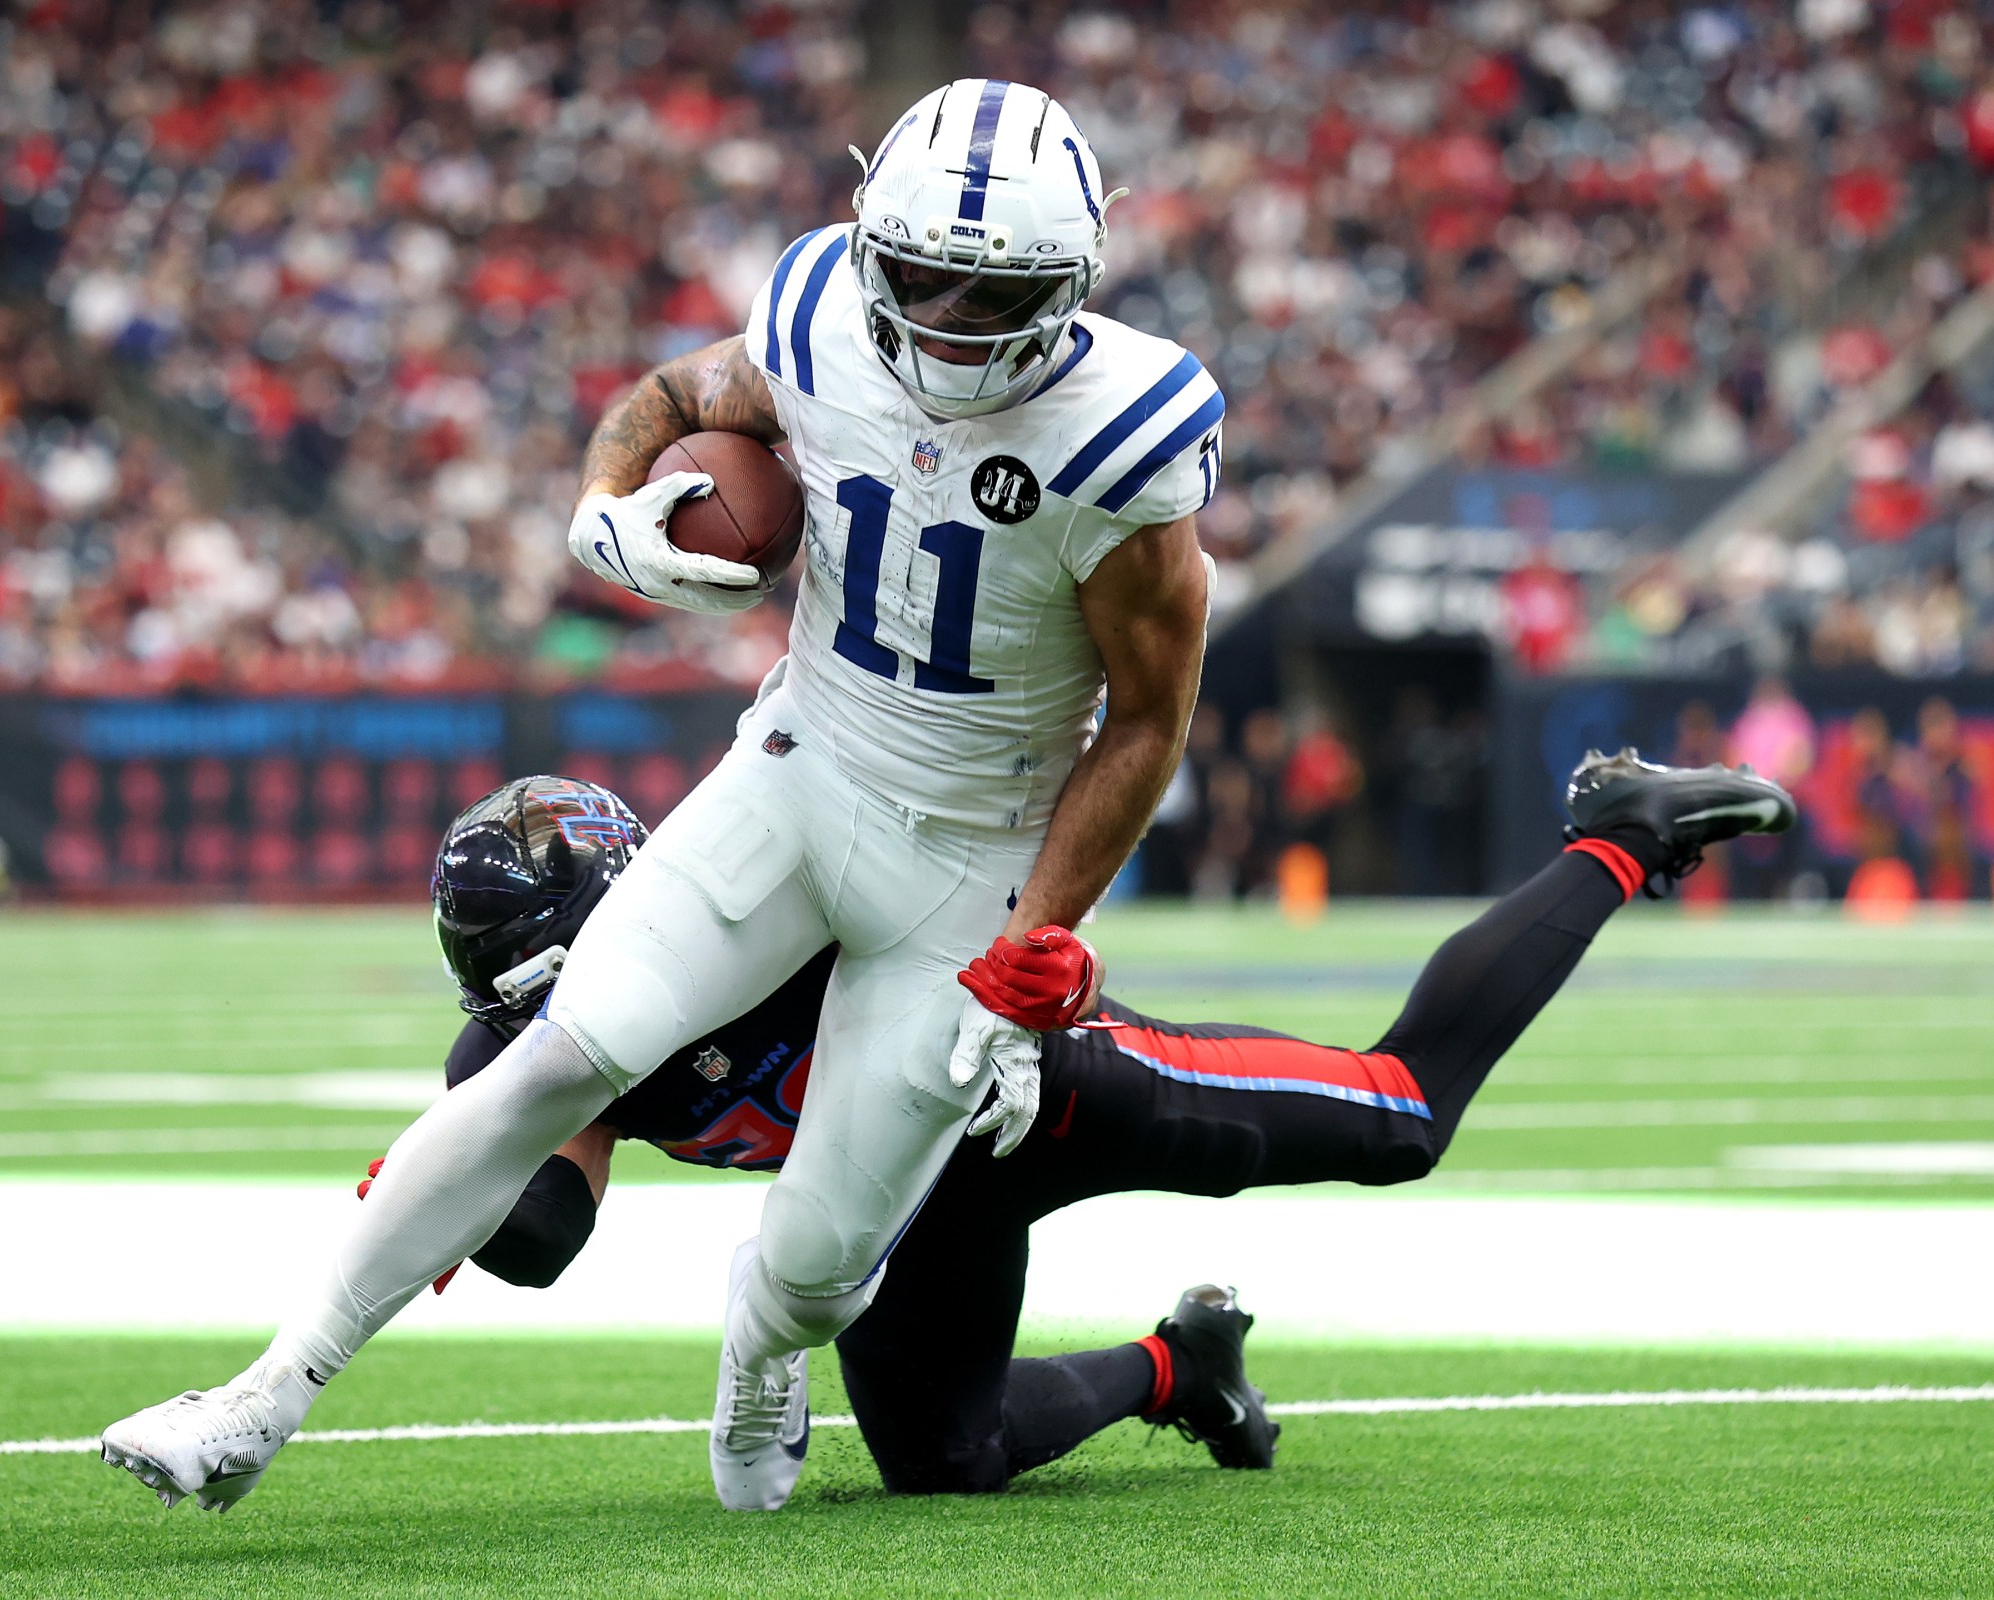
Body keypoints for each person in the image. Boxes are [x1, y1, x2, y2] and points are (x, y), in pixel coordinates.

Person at [104, 79, 1222, 1514]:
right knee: (559, 1058)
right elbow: (678, 397)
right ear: (871, 238)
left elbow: (1148, 717)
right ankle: (259, 1400)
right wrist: (606, 500)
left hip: (970, 858)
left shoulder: (1124, 426)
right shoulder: (821, 303)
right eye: (921, 274)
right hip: (801, 769)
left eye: (984, 288)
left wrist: (1041, 943)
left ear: (1070, 284)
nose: (942, 315)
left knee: (821, 1269)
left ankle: (766, 1347)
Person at [119, 749, 1795, 1504]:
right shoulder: (550, 1041)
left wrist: (1045, 964)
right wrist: (472, 1160)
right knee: (943, 1461)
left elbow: (968, 899)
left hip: (1039, 1097)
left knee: (1403, 1115)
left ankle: (1615, 836)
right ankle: (1179, 1368)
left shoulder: (760, 899)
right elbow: (551, 1238)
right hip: (896, 1207)